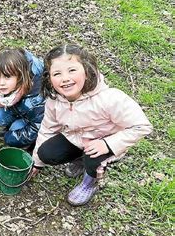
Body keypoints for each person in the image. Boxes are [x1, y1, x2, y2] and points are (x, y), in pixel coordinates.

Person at [31, 44, 153, 206]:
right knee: (47, 153)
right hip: (76, 138)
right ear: (49, 78)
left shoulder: (109, 99)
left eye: (72, 70)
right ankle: (80, 160)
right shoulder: (55, 101)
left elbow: (142, 126)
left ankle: (90, 183)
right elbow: (47, 129)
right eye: (57, 73)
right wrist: (36, 163)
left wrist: (107, 144)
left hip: (104, 141)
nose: (65, 78)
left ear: (87, 71)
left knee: (93, 156)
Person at [0, 48, 45, 149]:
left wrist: (11, 138)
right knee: (0, 115)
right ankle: (9, 129)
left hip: (35, 120)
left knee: (15, 130)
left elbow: (38, 126)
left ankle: (28, 145)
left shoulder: (35, 100)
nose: (1, 83)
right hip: (20, 109)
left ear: (20, 76)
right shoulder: (12, 85)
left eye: (7, 77)